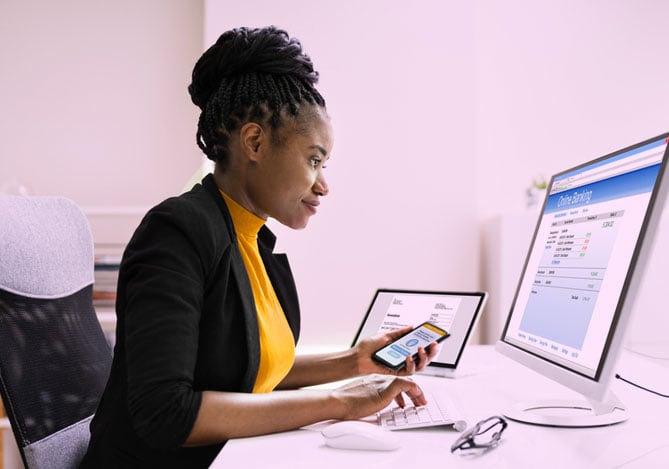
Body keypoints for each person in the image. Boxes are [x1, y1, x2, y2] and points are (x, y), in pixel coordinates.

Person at [80, 25, 438, 468]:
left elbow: (244, 367)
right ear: (255, 141)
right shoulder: (178, 230)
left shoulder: (247, 238)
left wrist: (355, 362)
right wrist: (341, 405)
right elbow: (165, 412)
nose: (323, 185)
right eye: (313, 160)